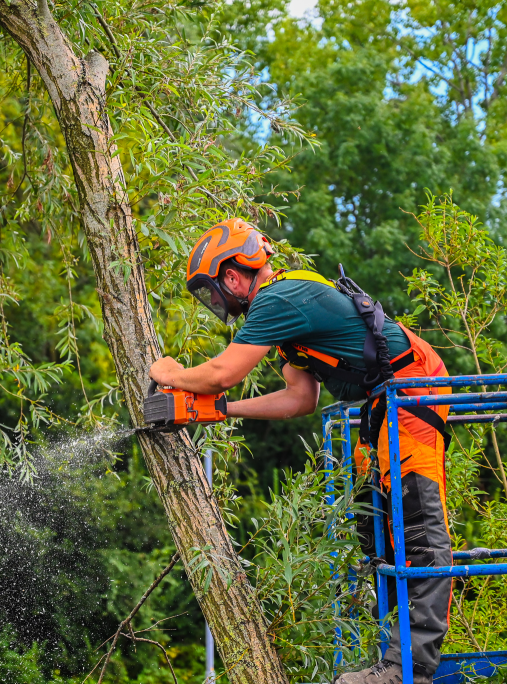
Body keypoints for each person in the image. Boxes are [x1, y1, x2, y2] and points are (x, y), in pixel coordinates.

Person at [149, 218, 452, 684]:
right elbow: (300, 399)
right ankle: (392, 657)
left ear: (232, 276)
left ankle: (408, 671)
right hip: (383, 405)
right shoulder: (285, 310)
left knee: (420, 536)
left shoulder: (277, 299)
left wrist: (172, 372)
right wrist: (221, 410)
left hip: (415, 393)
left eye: (213, 292)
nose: (218, 303)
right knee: (378, 533)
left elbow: (220, 372)